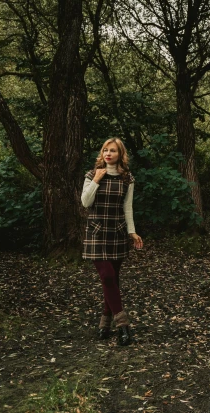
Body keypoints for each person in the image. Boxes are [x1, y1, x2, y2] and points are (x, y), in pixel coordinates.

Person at [81, 137, 143, 346]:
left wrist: (132, 232)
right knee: (107, 276)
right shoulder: (92, 174)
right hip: (96, 234)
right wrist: (97, 180)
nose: (108, 154)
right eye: (105, 150)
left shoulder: (127, 179)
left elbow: (128, 207)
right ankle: (123, 326)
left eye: (113, 150)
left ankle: (104, 324)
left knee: (113, 279)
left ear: (120, 154)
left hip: (116, 233)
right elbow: (85, 202)